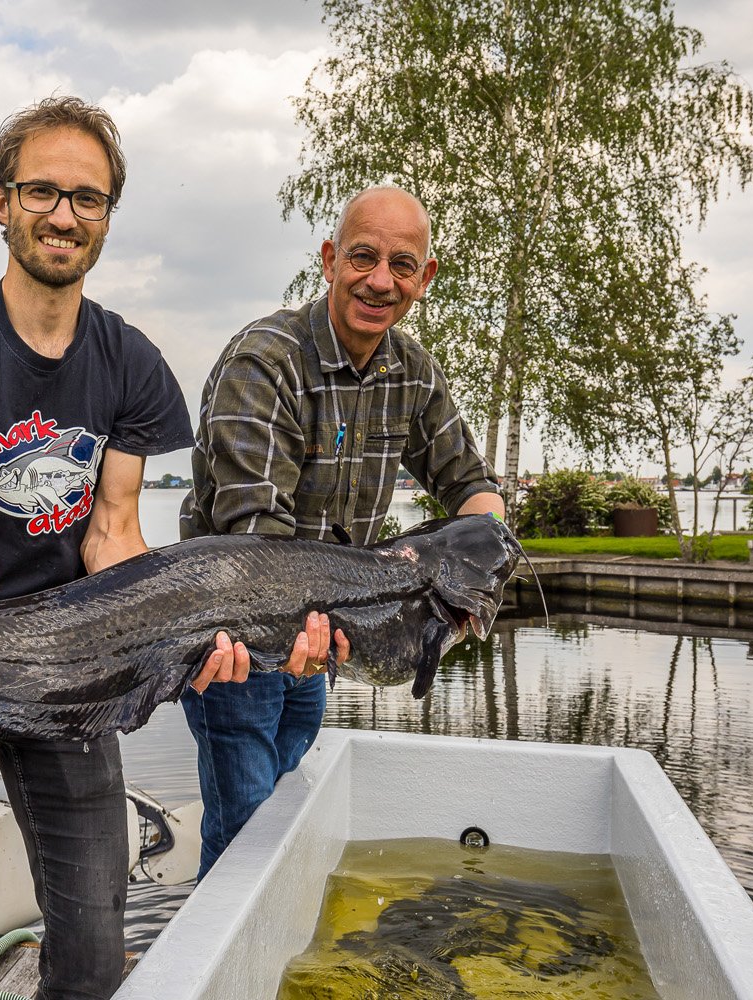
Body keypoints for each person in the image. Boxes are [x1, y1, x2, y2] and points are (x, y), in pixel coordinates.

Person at [0, 96, 243, 1000]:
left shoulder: (131, 364)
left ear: (107, 216)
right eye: (42, 191)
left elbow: (114, 538)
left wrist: (179, 641)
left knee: (96, 941)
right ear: (1, 201)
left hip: (74, 675)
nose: (64, 215)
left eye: (88, 198)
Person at [178, 185, 507, 879]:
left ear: (425, 277)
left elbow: (472, 485)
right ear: (329, 260)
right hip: (231, 638)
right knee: (244, 832)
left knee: (284, 813)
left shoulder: (411, 372)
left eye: (402, 264)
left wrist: (486, 565)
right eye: (363, 257)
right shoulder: (264, 362)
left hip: (326, 633)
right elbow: (257, 546)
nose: (380, 281)